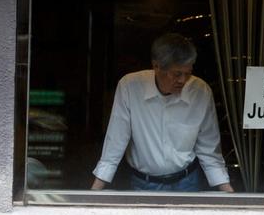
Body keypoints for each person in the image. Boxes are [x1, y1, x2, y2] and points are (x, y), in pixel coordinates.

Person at [90, 33, 234, 192]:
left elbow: (209, 149)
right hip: (143, 183)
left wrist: (228, 192)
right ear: (156, 67)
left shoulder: (200, 91)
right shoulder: (130, 87)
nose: (183, 81)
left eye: (188, 73)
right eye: (177, 74)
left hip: (187, 181)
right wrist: (95, 191)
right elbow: (116, 141)